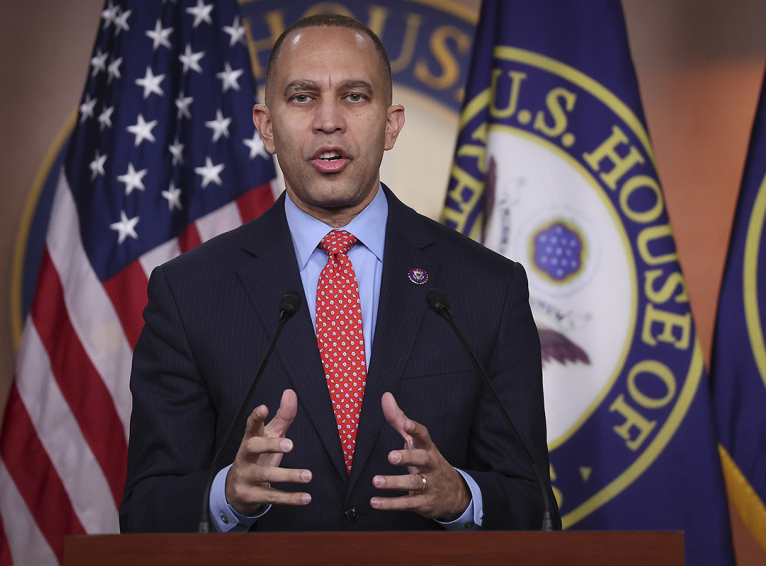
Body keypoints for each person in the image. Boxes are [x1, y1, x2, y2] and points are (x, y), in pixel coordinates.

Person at [120, 14, 559, 533]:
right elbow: (146, 510)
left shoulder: (487, 289)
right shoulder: (188, 293)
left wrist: (461, 497)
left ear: (391, 124)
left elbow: (536, 507)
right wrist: (226, 496)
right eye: (303, 96)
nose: (329, 121)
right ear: (266, 126)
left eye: (354, 96)